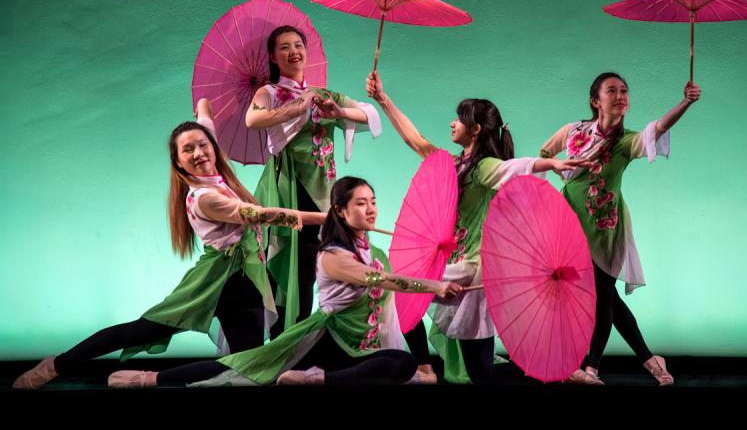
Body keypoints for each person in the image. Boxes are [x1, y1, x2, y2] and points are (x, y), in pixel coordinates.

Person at [13, 99, 320, 390]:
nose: (199, 152)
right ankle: (56, 365)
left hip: (246, 282)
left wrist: (203, 106)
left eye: (203, 145)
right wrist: (328, 218)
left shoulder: (215, 169)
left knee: (247, 368)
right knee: (138, 331)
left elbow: (205, 118)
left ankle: (146, 379)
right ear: (178, 162)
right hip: (213, 281)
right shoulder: (204, 197)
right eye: (188, 150)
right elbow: (263, 215)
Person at [107, 176, 463, 387]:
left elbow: (397, 285)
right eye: (360, 203)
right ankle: (149, 378)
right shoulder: (332, 255)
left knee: (399, 364)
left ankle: (322, 378)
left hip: (360, 350)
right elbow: (381, 281)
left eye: (373, 202)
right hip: (326, 341)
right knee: (243, 367)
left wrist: (443, 283)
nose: (370, 210)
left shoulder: (377, 251)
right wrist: (434, 287)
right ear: (340, 211)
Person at [366, 71, 582, 384]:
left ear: (476, 129)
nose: (453, 123)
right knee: (478, 369)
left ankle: (551, 372)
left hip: (475, 267)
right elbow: (416, 141)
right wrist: (383, 100)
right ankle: (426, 367)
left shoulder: (482, 167)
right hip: (459, 264)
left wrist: (551, 163)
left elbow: (515, 167)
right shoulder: (455, 164)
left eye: (459, 119)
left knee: (409, 292)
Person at [539, 72, 701, 386]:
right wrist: (560, 171)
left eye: (624, 91)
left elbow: (658, 129)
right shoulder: (573, 131)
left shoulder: (626, 143)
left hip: (605, 229)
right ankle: (651, 361)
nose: (620, 96)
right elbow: (545, 154)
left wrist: (685, 103)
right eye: (611, 90)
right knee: (606, 297)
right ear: (594, 100)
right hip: (570, 226)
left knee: (601, 297)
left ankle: (591, 369)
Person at [246, 25, 381, 337]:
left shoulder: (322, 93)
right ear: (273, 56)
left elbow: (368, 115)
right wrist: (298, 106)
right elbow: (253, 120)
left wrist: (336, 109)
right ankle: (283, 339)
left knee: (312, 266)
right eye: (284, 47)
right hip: (289, 188)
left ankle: (302, 341)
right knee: (288, 264)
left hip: (324, 191)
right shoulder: (269, 93)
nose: (294, 51)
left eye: (298, 45)